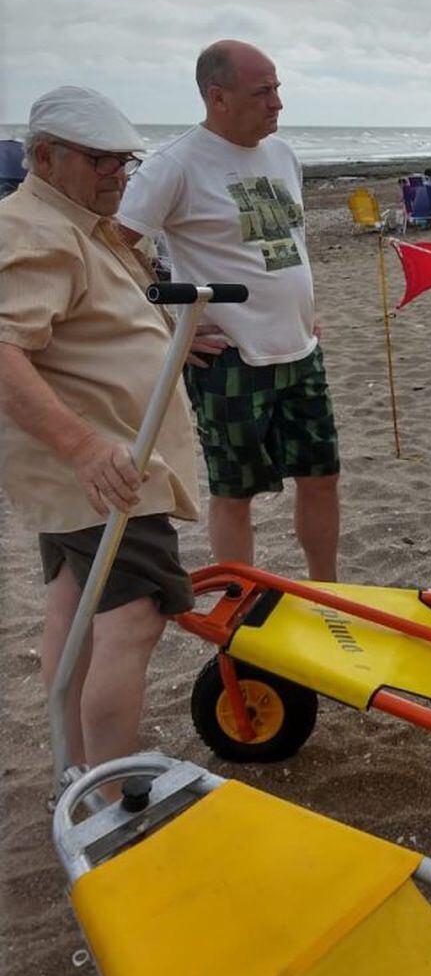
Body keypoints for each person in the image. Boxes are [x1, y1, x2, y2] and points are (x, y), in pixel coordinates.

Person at [0, 87, 199, 778]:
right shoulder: (37, 230)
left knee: (74, 610)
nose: (120, 175)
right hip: (106, 466)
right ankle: (108, 793)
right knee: (135, 618)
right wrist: (84, 448)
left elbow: (97, 323)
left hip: (98, 463)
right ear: (46, 157)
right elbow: (4, 352)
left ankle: (77, 769)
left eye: (126, 161)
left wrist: (175, 337)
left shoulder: (76, 221)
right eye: (101, 161)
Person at [118, 40, 340, 581]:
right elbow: (112, 246)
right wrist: (170, 327)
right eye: (263, 92)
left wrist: (304, 306)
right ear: (217, 97)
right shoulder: (175, 165)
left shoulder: (284, 156)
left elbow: (288, 243)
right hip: (230, 356)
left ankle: (328, 589)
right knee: (235, 492)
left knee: (321, 477)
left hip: (300, 346)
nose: (277, 103)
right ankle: (242, 599)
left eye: (277, 88)